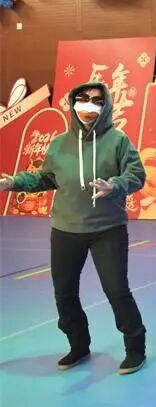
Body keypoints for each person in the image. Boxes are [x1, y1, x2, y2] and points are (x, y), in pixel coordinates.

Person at [0, 83, 148, 374]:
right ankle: (78, 345)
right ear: (72, 103)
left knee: (117, 290)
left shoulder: (118, 141)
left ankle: (135, 348)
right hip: (66, 230)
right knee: (64, 293)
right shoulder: (59, 144)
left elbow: (137, 175)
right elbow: (46, 178)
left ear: (106, 105)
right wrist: (14, 182)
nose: (89, 106)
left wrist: (115, 185)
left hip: (108, 229)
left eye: (97, 100)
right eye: (83, 99)